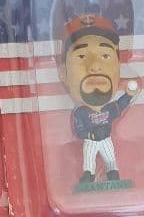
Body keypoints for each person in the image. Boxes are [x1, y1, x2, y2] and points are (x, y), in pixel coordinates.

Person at [59, 13, 139, 189]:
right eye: (81, 56)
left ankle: (113, 175)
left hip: (105, 139)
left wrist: (129, 95)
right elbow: (79, 129)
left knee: (110, 159)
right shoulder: (80, 112)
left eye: (105, 56)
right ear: (63, 73)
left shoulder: (109, 109)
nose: (95, 66)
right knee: (88, 162)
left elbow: (120, 105)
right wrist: (89, 135)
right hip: (91, 140)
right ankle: (88, 177)